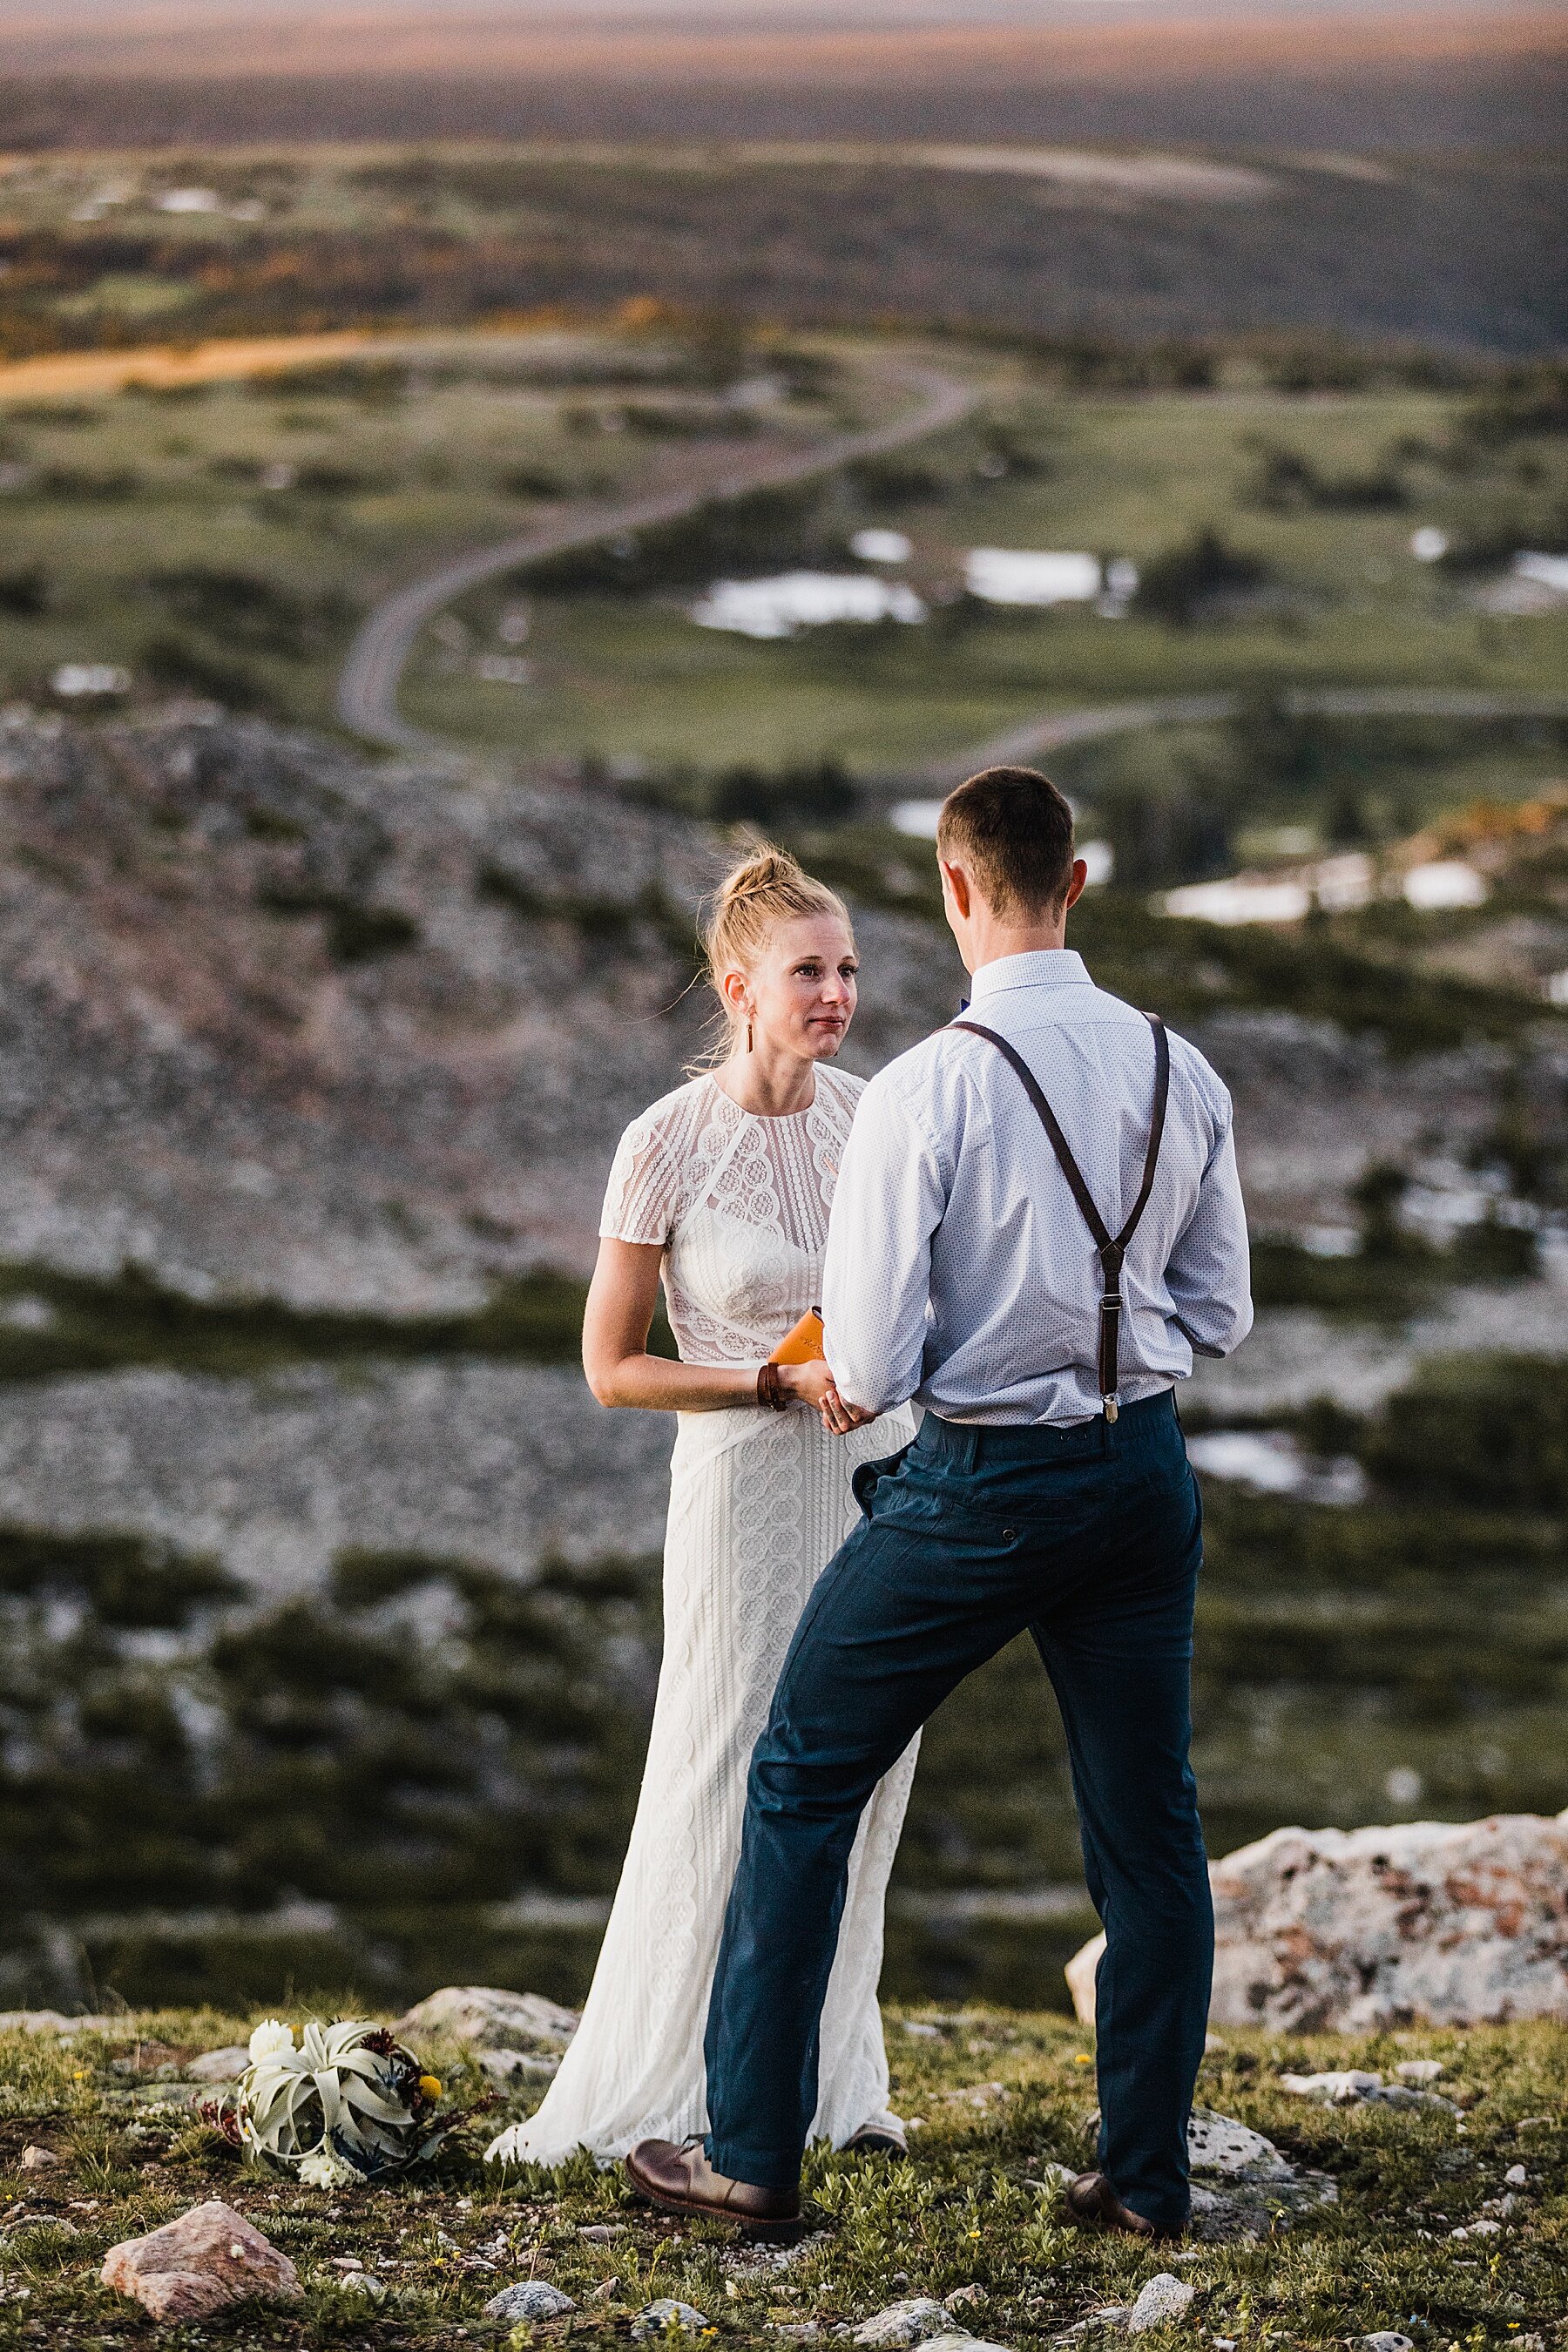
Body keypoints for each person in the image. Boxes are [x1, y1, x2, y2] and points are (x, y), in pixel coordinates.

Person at [626, 765, 1253, 2240]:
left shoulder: (927, 1087)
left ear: (955, 890)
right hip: (1142, 1474)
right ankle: (1146, 2179)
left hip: (978, 1486)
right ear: (1076, 884)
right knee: (1150, 1829)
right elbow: (1216, 1312)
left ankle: (753, 2158)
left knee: (797, 1776)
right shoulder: (1183, 1066)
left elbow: (880, 1355)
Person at [487, 844, 918, 2170]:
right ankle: (680, 2081)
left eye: (847, 969)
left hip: (879, 1479)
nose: (836, 992)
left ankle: (836, 2083)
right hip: (741, 1487)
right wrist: (766, 1385)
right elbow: (613, 1369)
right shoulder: (662, 1144)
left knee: (870, 1771)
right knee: (726, 1762)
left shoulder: (883, 1118)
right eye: (809, 971)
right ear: (739, 986)